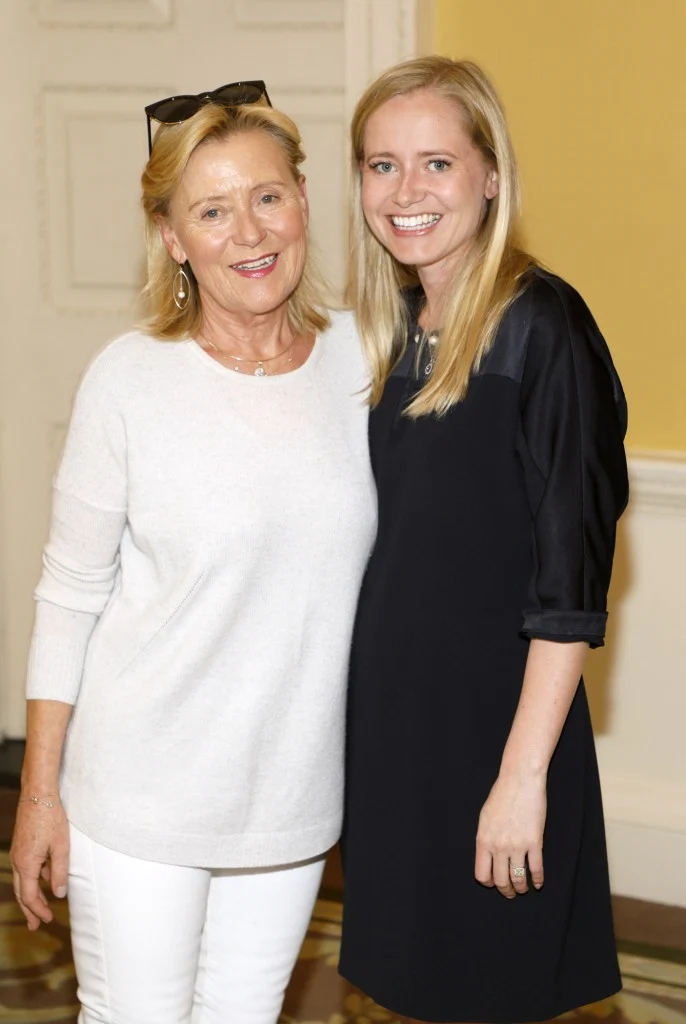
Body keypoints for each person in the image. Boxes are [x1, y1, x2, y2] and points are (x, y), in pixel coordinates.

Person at [10, 81, 377, 1024]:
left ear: (304, 200)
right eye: (211, 211)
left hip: (290, 798)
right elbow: (69, 596)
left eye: (267, 196)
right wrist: (39, 794)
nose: (249, 232)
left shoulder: (365, 359)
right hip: (140, 794)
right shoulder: (129, 381)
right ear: (172, 237)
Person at [338, 56, 628, 1024]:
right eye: (382, 165)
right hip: (398, 734)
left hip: (497, 736)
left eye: (436, 163)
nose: (405, 192)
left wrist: (519, 779)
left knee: (491, 990)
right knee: (414, 991)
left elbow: (568, 591)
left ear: (490, 174)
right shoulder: (392, 330)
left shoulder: (541, 326)